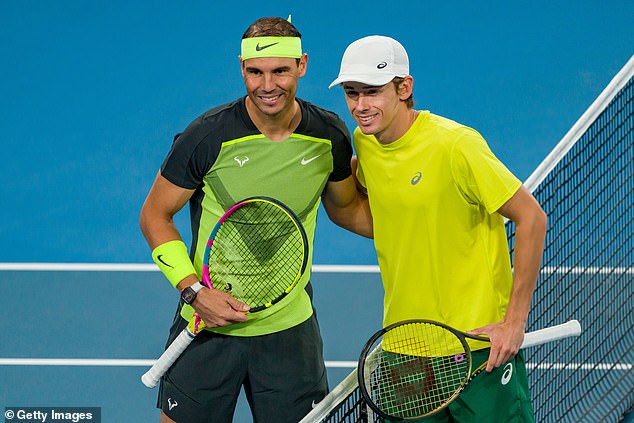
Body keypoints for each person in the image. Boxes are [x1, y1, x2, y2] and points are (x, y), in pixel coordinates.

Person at [140, 17, 370, 423]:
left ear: (302, 65)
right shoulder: (207, 137)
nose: (268, 85)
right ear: (241, 69)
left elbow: (348, 209)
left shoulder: (329, 137)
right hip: (207, 322)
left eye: (280, 70)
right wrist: (194, 293)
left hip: (289, 332)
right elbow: (155, 216)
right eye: (255, 72)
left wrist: (423, 225)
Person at [329, 35, 547, 422]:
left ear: (404, 88)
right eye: (352, 93)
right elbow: (381, 214)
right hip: (404, 347)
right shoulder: (365, 145)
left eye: (373, 92)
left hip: (477, 348)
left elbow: (532, 218)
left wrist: (514, 323)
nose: (360, 106)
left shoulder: (456, 145)